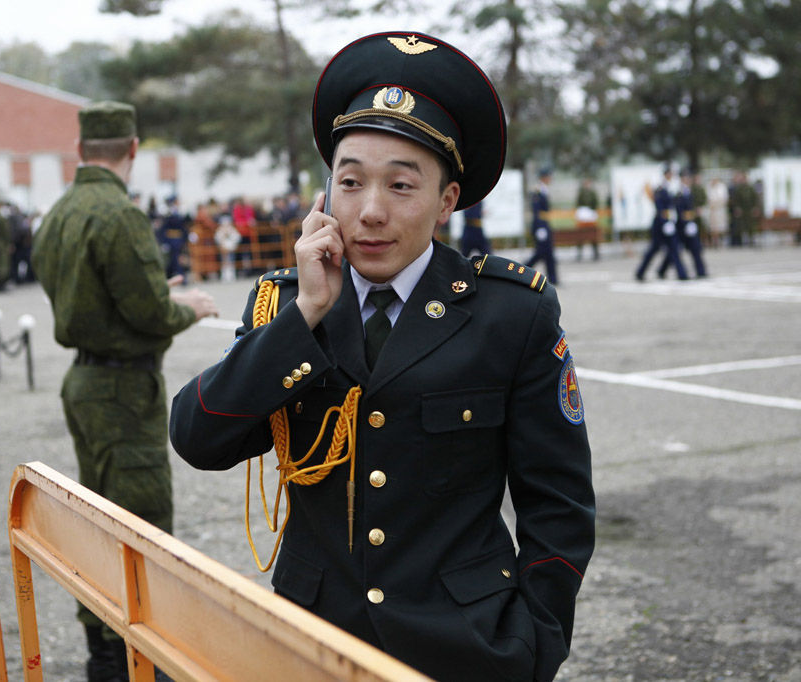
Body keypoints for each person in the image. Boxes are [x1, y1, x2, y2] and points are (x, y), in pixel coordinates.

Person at [169, 31, 595, 682]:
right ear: (326, 194)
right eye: (350, 182)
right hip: (312, 643)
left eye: (401, 185)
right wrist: (307, 315)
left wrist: (535, 644)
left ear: (446, 200)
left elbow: (557, 503)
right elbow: (200, 438)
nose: (370, 212)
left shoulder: (511, 313)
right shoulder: (286, 305)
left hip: (465, 645)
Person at [31, 101, 218, 682]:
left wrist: (150, 298)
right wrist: (185, 307)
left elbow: (80, 290)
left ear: (83, 149)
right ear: (134, 148)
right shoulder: (118, 213)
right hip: (121, 386)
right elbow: (148, 309)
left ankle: (106, 653)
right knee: (140, 525)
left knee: (99, 521)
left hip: (84, 380)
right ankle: (133, 657)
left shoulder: (60, 211)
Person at [635, 164, 687, 281]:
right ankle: (640, 272)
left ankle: (681, 274)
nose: (671, 175)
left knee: (674, 248)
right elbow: (660, 207)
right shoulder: (661, 188)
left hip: (670, 222)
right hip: (660, 223)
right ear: (665, 174)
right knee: (654, 249)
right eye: (669, 173)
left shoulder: (673, 187)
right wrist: (665, 222)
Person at [659, 168, 707, 279]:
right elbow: (675, 209)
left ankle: (701, 271)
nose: (687, 179)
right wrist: (671, 222)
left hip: (688, 224)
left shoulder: (690, 190)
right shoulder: (677, 191)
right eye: (685, 177)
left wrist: (692, 220)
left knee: (695, 248)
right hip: (679, 225)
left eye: (688, 177)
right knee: (675, 250)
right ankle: (681, 273)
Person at [524, 167, 558, 284]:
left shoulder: (544, 190)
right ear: (544, 177)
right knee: (540, 253)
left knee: (548, 253)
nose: (550, 179)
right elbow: (536, 211)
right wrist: (540, 228)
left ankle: (554, 279)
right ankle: (523, 269)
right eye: (549, 176)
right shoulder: (538, 191)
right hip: (541, 226)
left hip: (545, 225)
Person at [728, 170, 759, 247]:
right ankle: (741, 242)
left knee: (751, 226)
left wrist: (755, 208)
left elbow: (755, 198)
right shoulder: (739, 189)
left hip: (750, 210)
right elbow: (736, 200)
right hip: (742, 211)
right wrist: (737, 208)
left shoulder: (751, 188)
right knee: (741, 227)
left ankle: (752, 241)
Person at [705, 176, 729, 247]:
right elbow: (707, 198)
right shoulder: (709, 187)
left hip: (719, 210)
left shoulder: (722, 187)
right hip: (711, 210)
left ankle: (720, 241)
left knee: (720, 227)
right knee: (712, 227)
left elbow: (724, 198)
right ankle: (714, 241)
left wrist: (717, 204)